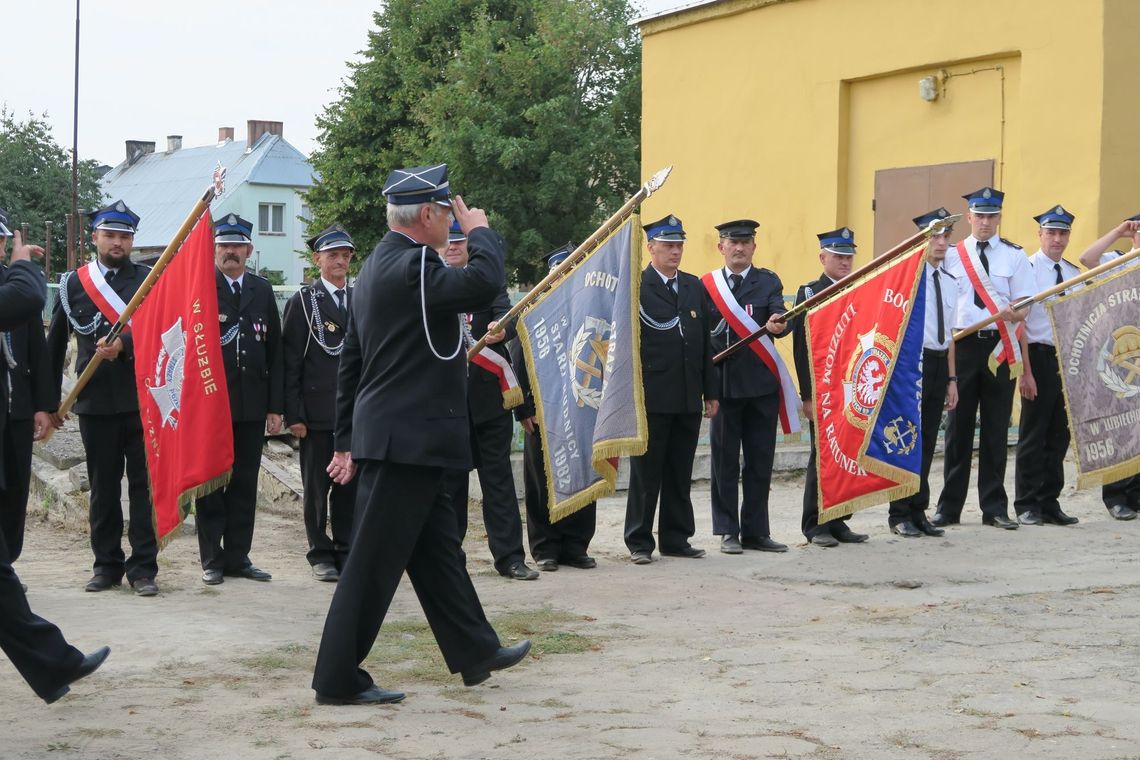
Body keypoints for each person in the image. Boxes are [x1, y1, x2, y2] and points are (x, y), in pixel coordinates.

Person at [311, 164, 529, 706]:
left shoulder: (378, 267)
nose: (451, 226)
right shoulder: (412, 268)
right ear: (428, 215)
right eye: (447, 215)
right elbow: (482, 281)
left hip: (406, 439)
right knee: (369, 566)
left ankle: (475, 651)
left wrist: (345, 437)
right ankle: (336, 679)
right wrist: (480, 232)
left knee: (436, 553)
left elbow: (352, 365)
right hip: (405, 443)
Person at [1, 229, 111, 703]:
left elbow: (30, 336)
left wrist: (44, 403)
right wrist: (24, 262)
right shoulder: (16, 285)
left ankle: (53, 666)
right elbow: (26, 297)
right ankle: (55, 663)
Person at [47, 201, 159, 596]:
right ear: (94, 237)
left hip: (142, 400)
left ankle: (144, 568)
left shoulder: (150, 279)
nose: (117, 242)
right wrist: (47, 405)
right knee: (103, 488)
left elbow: (164, 333)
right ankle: (106, 565)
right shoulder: (73, 283)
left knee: (143, 488)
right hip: (93, 402)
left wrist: (123, 346)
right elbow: (54, 346)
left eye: (124, 237)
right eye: (110, 235)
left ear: (132, 242)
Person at [440, 220, 538, 581]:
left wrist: (500, 327)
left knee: (498, 484)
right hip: (447, 408)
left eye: (459, 241)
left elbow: (508, 317)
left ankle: (511, 558)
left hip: (488, 403)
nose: (452, 247)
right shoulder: (433, 282)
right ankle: (451, 560)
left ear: (470, 246)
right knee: (450, 489)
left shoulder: (486, 282)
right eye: (447, 241)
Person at [932, 187, 1034, 530]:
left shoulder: (1014, 256)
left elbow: (1026, 306)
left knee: (994, 427)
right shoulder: (951, 255)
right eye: (980, 216)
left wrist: (1014, 313)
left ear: (999, 217)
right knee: (958, 429)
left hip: (1000, 347)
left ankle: (994, 507)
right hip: (961, 347)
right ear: (970, 218)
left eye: (992, 216)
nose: (986, 222)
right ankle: (949, 508)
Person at [194, 213, 283, 585]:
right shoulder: (200, 289)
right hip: (212, 406)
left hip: (250, 405)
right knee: (212, 482)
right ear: (214, 250)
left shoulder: (261, 291)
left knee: (245, 483)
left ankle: (238, 557)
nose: (231, 252)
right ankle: (212, 559)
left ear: (249, 249)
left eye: (237, 245)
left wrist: (276, 407)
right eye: (224, 245)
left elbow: (276, 351)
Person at [624, 214, 718, 563]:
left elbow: (705, 344)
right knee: (647, 473)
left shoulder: (693, 286)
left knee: (680, 471)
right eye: (667, 246)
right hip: (652, 395)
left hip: (687, 394)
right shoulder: (637, 287)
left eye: (679, 246)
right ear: (651, 248)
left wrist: (711, 391)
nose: (675, 252)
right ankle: (639, 541)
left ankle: (676, 538)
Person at [511, 243, 598, 572]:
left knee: (582, 474)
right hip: (542, 411)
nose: (563, 278)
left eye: (570, 271)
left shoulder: (587, 308)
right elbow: (519, 362)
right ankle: (545, 546)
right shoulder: (532, 310)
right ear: (549, 276)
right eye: (558, 272)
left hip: (580, 408)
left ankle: (577, 545)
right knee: (541, 478)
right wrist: (524, 409)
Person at [705, 219, 789, 554]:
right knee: (724, 461)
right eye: (732, 242)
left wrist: (780, 325)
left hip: (761, 387)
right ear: (721, 247)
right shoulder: (707, 286)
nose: (739, 248)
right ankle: (728, 531)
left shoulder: (767, 281)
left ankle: (756, 531)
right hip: (724, 388)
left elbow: (782, 315)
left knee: (759, 461)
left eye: (745, 242)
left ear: (754, 246)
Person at [283, 223, 357, 582]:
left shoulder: (359, 300)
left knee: (349, 487)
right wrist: (294, 413)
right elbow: (291, 361)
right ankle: (319, 552)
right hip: (316, 413)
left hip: (353, 414)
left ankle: (346, 547)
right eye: (333, 255)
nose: (340, 261)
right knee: (317, 488)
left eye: (345, 255)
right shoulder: (303, 301)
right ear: (317, 260)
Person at [792, 227, 870, 547]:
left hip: (851, 386)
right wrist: (807, 395)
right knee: (823, 454)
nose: (844, 261)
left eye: (848, 256)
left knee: (848, 452)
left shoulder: (860, 287)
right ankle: (815, 522)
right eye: (838, 256)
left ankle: (839, 520)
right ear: (822, 257)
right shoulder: (810, 292)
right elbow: (800, 347)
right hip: (823, 390)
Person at [887, 210, 958, 538]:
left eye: (945, 236)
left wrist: (951, 378)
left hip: (939, 362)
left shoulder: (949, 281)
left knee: (928, 440)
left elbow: (951, 334)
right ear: (921, 240)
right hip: (912, 365)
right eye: (935, 236)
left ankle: (919, 509)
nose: (941, 243)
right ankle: (899, 512)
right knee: (906, 440)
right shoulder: (907, 281)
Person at [1012, 206, 1082, 527]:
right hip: (1037, 357)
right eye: (1051, 232)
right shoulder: (1026, 270)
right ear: (1039, 235)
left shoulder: (1072, 273)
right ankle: (1026, 503)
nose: (1057, 239)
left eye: (1062, 233)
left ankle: (1049, 501)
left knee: (1058, 435)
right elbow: (1020, 326)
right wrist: (1025, 371)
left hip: (1066, 359)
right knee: (1032, 434)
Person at [1077, 214, 1140, 521]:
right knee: (1121, 426)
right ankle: (1116, 495)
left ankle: (1136, 494)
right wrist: (1118, 231)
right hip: (1121, 355)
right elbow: (1086, 258)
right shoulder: (1119, 261)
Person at [0, 210, 54, 565]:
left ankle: (9, 563)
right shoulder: (20, 287)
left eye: (1, 239)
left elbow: (38, 348)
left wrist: (43, 405)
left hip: (16, 405)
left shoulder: (14, 282)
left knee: (15, 488)